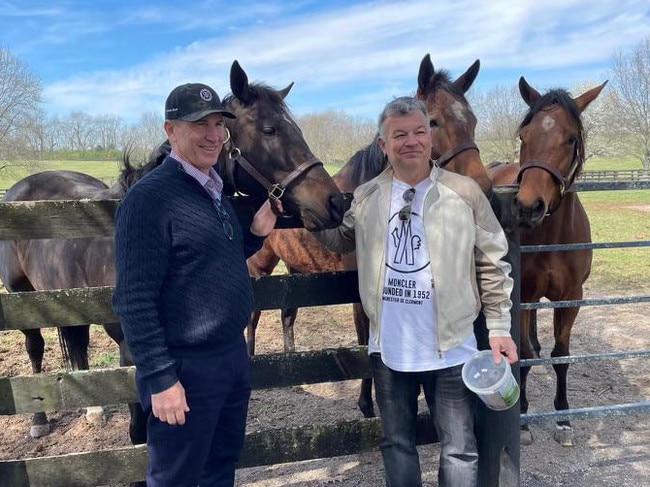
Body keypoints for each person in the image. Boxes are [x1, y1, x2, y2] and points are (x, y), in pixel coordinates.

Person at [314, 96, 518, 487]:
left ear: (430, 137)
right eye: (399, 134)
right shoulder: (367, 195)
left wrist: (498, 326)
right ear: (383, 144)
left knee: (459, 446)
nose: (411, 141)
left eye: (419, 132)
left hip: (452, 347)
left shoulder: (465, 193)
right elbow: (339, 239)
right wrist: (287, 210)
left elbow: (492, 261)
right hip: (389, 349)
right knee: (396, 443)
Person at [112, 82, 280, 487]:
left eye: (219, 124)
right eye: (198, 124)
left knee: (220, 468)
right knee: (177, 477)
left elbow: (205, 261)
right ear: (171, 131)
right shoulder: (149, 199)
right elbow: (133, 300)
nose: (213, 135)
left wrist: (254, 234)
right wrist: (162, 379)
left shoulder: (213, 188)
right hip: (185, 369)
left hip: (230, 358)